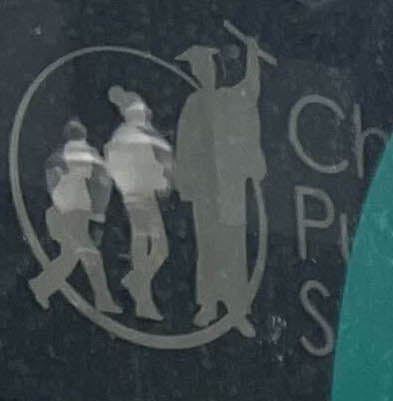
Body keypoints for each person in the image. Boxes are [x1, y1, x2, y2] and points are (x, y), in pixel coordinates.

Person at [173, 28, 272, 335]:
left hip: (229, 188)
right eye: (199, 68)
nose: (205, 72)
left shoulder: (230, 100)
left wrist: (253, 55)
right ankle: (208, 304)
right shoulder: (193, 104)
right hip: (205, 190)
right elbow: (184, 146)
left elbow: (251, 88)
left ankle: (238, 310)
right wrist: (184, 182)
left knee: (234, 249)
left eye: (208, 66)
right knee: (209, 248)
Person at [29, 123, 116, 317]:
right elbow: (102, 184)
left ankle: (41, 285)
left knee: (71, 256)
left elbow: (99, 184)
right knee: (87, 254)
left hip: (72, 210)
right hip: (72, 210)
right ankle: (103, 299)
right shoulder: (82, 157)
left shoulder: (63, 159)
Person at [102, 89, 173, 321]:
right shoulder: (127, 136)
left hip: (141, 195)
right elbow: (121, 168)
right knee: (149, 244)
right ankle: (141, 294)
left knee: (153, 245)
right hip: (137, 195)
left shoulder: (141, 135)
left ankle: (137, 282)